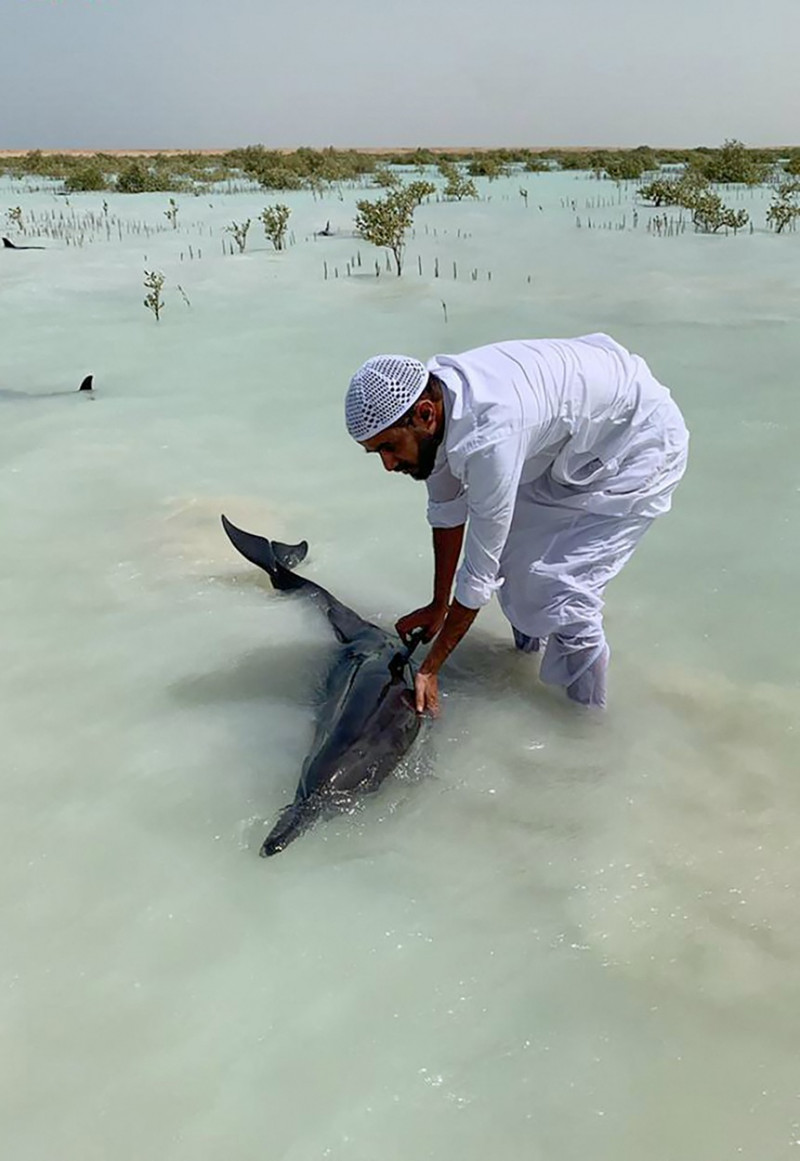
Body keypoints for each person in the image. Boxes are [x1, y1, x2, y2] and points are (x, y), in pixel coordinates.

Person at [344, 333, 689, 716]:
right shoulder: (440, 406)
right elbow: (446, 509)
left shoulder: (488, 437)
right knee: (514, 563)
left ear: (425, 414)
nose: (388, 465)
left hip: (637, 442)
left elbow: (478, 576)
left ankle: (586, 721)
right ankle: (523, 659)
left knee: (560, 593)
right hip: (567, 442)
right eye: (376, 453)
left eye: (390, 448)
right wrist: (438, 605)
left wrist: (430, 668)